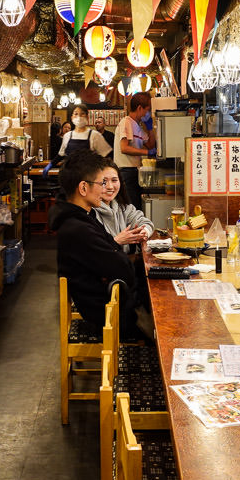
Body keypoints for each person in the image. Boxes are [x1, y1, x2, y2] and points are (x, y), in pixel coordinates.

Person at [49, 150, 139, 337]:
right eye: (101, 183)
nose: (105, 189)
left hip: (103, 301)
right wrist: (119, 255)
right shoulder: (77, 228)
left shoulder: (83, 215)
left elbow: (112, 250)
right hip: (103, 312)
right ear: (83, 188)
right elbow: (122, 268)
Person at [94, 162, 153, 254]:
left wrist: (143, 232)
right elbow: (91, 253)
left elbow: (145, 223)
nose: (110, 187)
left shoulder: (123, 208)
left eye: (114, 180)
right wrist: (117, 241)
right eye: (104, 181)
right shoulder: (89, 212)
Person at [114, 92, 156, 209]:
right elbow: (124, 148)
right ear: (139, 108)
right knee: (131, 208)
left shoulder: (137, 126)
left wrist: (150, 128)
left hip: (134, 172)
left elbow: (151, 145)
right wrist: (147, 153)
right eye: (148, 110)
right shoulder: (126, 122)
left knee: (136, 206)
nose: (148, 113)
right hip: (126, 172)